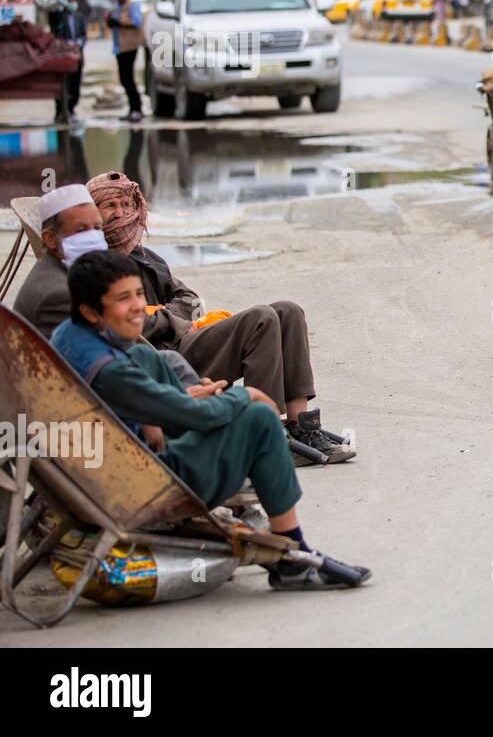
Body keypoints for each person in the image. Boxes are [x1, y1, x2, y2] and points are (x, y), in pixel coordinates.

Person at [52, 250, 370, 590]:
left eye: (139, 296)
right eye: (122, 299)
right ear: (91, 310)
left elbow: (155, 374)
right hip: (148, 483)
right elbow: (198, 416)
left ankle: (257, 450)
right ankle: (292, 559)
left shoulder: (70, 334)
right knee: (259, 417)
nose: (137, 308)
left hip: (118, 459)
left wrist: (176, 402)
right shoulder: (112, 371)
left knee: (153, 355)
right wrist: (243, 395)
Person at [13, 182, 352, 466]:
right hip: (155, 357)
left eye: (97, 227)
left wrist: (167, 316)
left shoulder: (134, 259)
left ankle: (299, 425)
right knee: (260, 319)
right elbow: (132, 331)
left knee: (287, 310)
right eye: (88, 225)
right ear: (52, 239)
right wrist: (170, 329)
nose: (116, 216)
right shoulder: (68, 285)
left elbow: (185, 300)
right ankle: (265, 434)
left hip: (171, 346)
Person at [105, 0, 144, 122]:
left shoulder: (132, 6)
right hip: (119, 47)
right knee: (124, 79)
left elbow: (137, 22)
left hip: (129, 47)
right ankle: (132, 108)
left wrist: (120, 22)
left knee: (128, 78)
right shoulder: (117, 7)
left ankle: (137, 109)